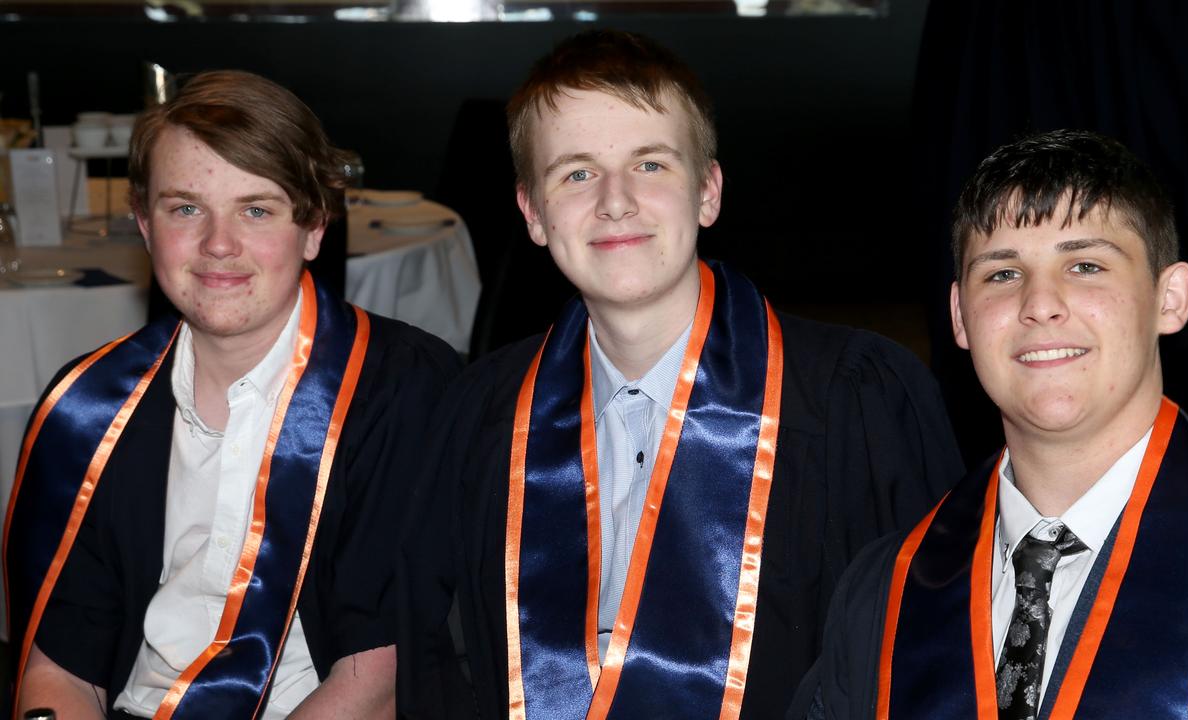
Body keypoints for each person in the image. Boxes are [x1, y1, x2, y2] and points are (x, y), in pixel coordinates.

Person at [396, 29, 962, 719]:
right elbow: (438, 665)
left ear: (708, 193)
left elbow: (918, 666)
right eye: (576, 173)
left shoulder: (856, 402)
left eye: (651, 165)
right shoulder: (482, 414)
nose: (614, 201)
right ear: (533, 214)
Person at [4, 70, 460, 719]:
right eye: (185, 208)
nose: (218, 245)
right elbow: (60, 670)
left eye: (256, 209)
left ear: (314, 228)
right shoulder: (90, 407)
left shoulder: (399, 391)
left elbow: (375, 681)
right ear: (143, 222)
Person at [791, 129, 1188, 719]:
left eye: (1085, 264)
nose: (1039, 303)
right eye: (1002, 274)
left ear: (1170, 298)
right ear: (960, 318)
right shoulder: (882, 594)